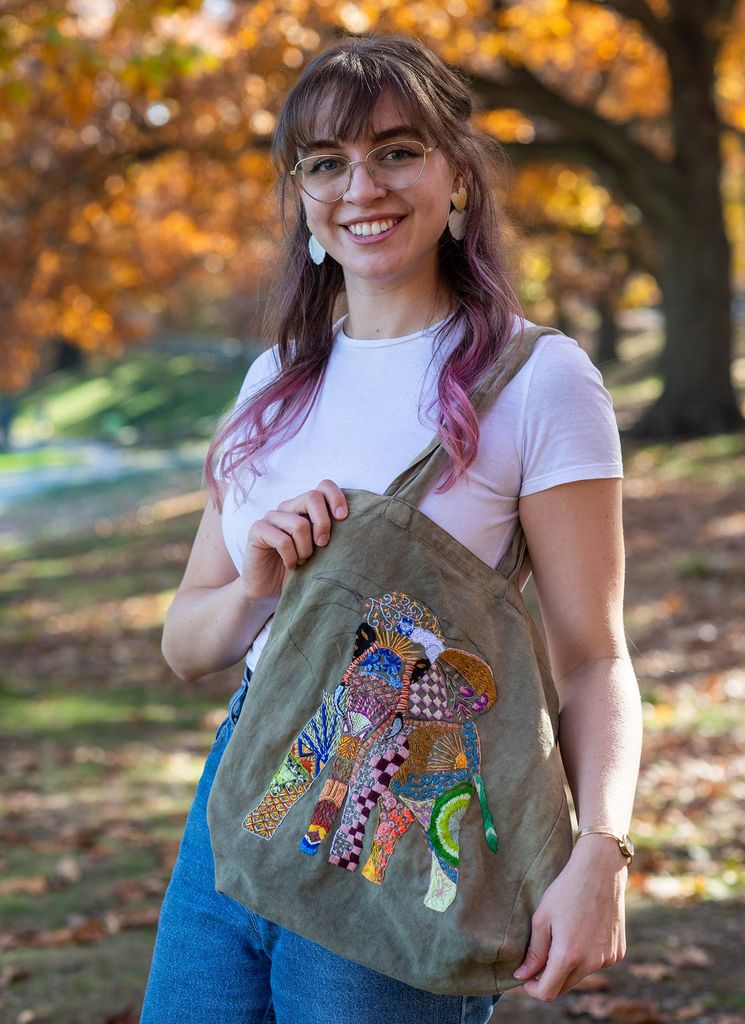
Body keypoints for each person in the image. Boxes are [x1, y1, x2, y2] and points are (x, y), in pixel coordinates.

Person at [140, 34, 642, 1024]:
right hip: (237, 806)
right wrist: (255, 583)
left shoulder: (536, 381)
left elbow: (593, 657)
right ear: (304, 197)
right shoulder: (274, 385)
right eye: (327, 162)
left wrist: (602, 851)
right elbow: (184, 642)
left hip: (399, 819)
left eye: (397, 150)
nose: (360, 184)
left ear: (457, 173)